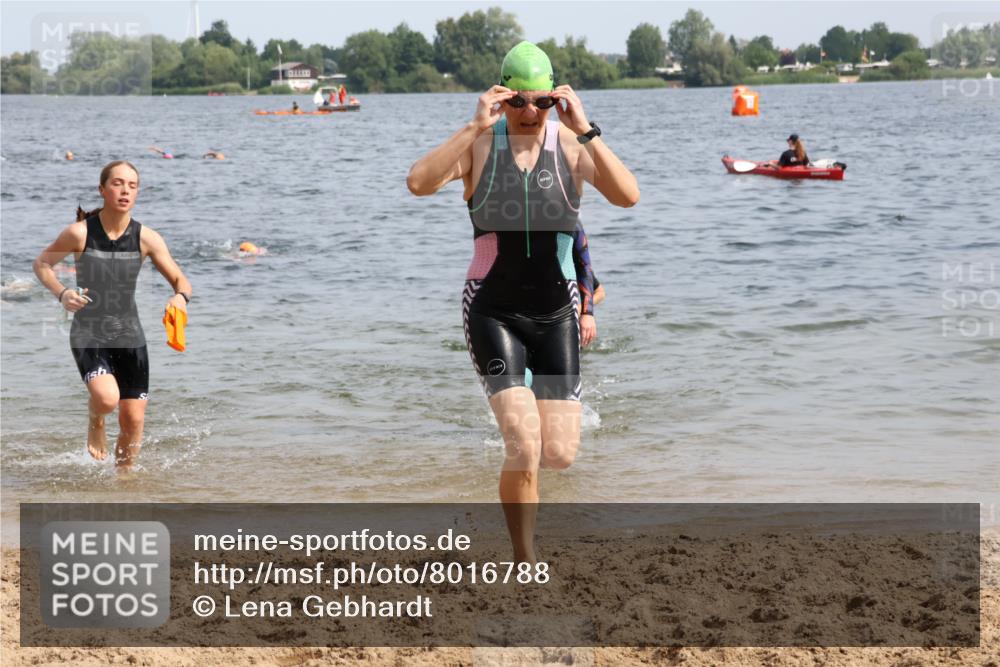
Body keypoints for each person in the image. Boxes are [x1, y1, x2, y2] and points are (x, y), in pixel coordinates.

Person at [407, 41, 638, 562]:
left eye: (542, 102)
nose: (530, 112)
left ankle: (531, 424)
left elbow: (628, 196)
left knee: (558, 454)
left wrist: (587, 129)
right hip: (493, 309)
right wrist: (471, 126)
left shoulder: (573, 148)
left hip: (556, 314)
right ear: (501, 98)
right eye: (519, 102)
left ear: (558, 100)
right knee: (524, 446)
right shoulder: (479, 147)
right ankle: (524, 557)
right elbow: (417, 183)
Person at [32, 161, 192, 470]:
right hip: (89, 332)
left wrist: (180, 298)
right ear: (102, 189)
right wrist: (63, 293)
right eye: (118, 184)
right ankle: (96, 419)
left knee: (133, 420)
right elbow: (41, 264)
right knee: (106, 399)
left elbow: (181, 280)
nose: (125, 191)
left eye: (132, 186)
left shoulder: (148, 238)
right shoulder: (79, 234)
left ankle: (124, 484)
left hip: (130, 335)